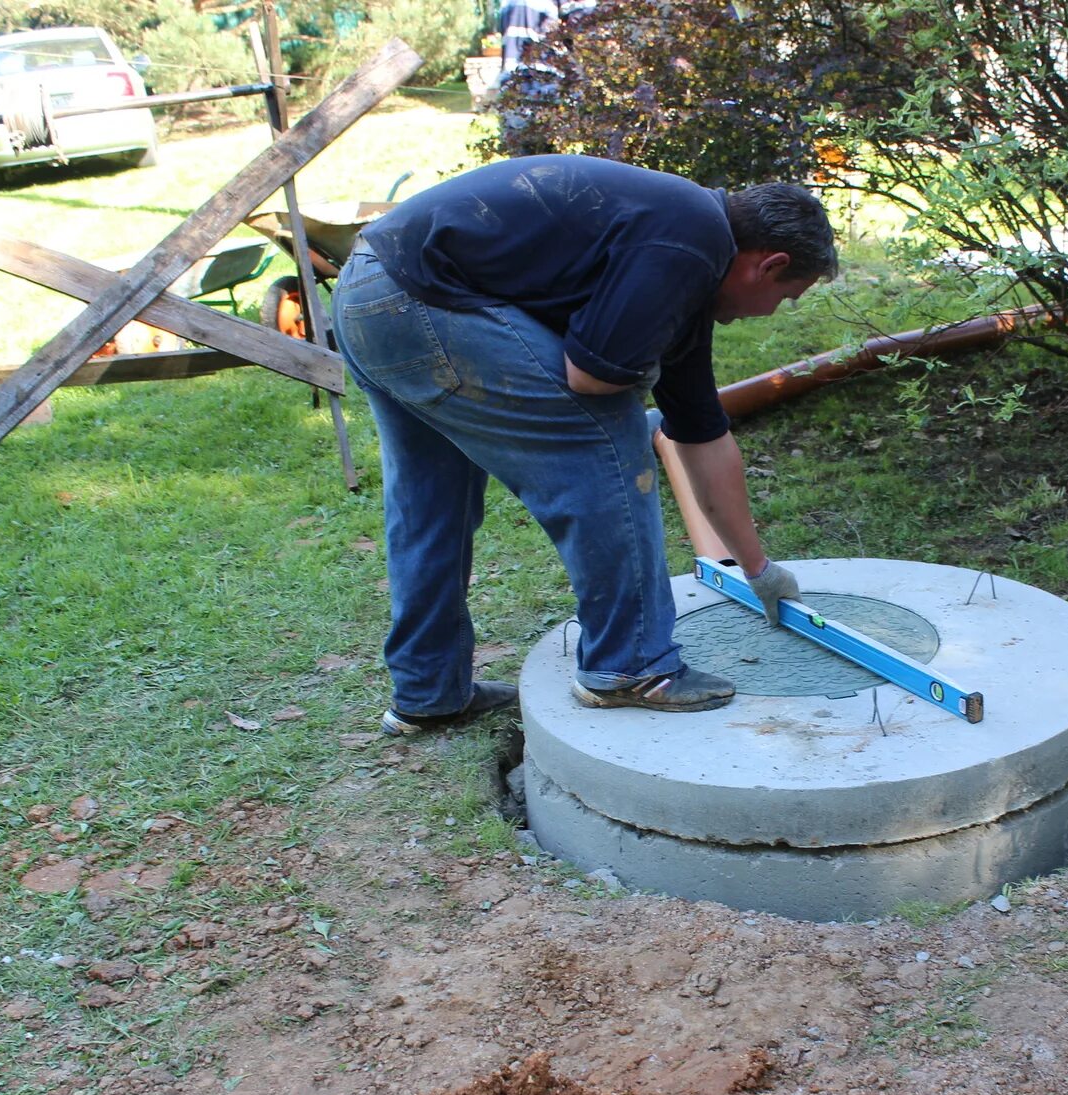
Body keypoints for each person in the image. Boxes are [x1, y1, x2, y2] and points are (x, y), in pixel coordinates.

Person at [332, 154, 835, 732]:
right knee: (609, 439)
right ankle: (633, 666)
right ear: (768, 266)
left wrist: (759, 569)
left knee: (431, 501)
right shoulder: (689, 238)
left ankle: (428, 690)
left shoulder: (682, 246)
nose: (774, 312)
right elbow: (592, 378)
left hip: (371, 292)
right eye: (787, 296)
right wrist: (632, 382)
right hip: (425, 304)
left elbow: (701, 434)